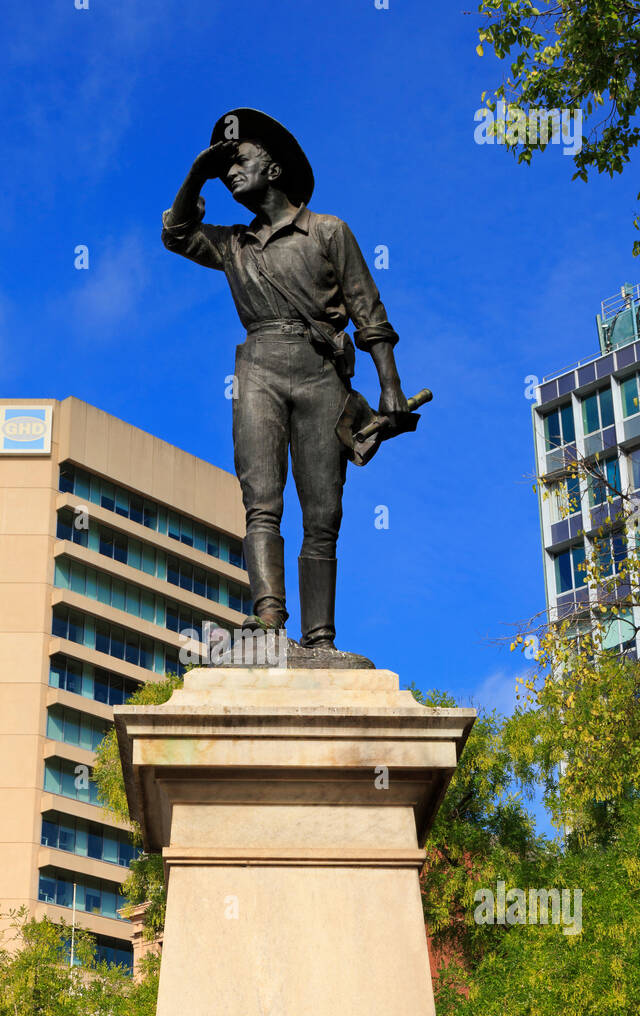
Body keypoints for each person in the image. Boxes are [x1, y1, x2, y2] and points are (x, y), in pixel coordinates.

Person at [162, 108, 411, 652]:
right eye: (223, 167)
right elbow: (176, 233)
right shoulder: (233, 244)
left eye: (239, 161)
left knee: (323, 511)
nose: (229, 173)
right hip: (259, 367)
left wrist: (389, 383)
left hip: (322, 373)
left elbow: (369, 311)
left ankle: (320, 638)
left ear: (273, 169)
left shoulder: (328, 231)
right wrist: (196, 174)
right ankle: (268, 620)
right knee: (261, 499)